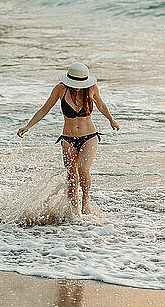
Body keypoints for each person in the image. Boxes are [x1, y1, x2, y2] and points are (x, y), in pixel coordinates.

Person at [17, 62, 119, 214]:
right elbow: (45, 108)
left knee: (83, 170)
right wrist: (28, 126)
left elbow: (101, 105)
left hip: (89, 136)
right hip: (68, 138)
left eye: (80, 83)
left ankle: (85, 202)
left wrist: (111, 119)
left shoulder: (91, 88)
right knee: (71, 175)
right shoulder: (60, 89)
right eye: (75, 84)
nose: (78, 87)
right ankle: (74, 211)